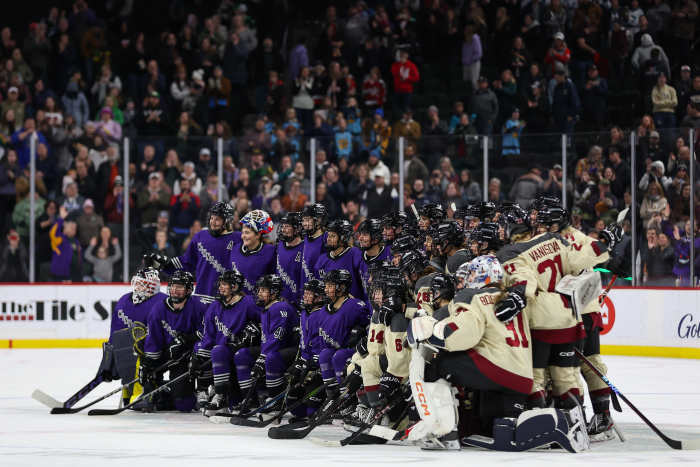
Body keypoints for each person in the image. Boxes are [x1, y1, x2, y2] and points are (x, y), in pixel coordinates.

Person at [194, 270, 260, 415]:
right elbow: (209, 336)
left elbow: (264, 322)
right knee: (215, 350)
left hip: (243, 350)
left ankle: (248, 399)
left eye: (224, 284)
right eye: (220, 284)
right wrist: (200, 357)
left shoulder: (248, 302)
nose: (220, 287)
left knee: (225, 352)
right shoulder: (215, 306)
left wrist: (254, 332)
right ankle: (220, 395)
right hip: (223, 353)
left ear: (235, 287)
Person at [140, 271, 208, 412]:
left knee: (185, 405)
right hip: (165, 352)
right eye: (172, 286)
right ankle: (154, 391)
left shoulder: (199, 306)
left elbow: (206, 333)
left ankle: (174, 393)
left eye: (180, 287)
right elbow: (153, 340)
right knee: (144, 357)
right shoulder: (158, 309)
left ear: (189, 290)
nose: (175, 291)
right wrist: (148, 364)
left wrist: (189, 340)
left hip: (184, 356)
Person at [234, 275, 298, 415]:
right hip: (272, 349)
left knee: (270, 359)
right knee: (242, 355)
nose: (259, 293)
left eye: (263, 290)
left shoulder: (281, 307)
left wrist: (262, 358)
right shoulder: (267, 308)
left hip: (289, 350)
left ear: (274, 292)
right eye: (259, 290)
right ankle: (250, 399)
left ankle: (275, 401)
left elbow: (278, 337)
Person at [146, 201, 240, 298]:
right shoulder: (200, 236)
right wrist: (165, 265)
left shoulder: (238, 239)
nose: (213, 222)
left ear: (227, 221)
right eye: (212, 218)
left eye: (217, 219)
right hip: (202, 296)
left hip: (228, 299)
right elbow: (187, 262)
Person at [106, 267, 166, 404]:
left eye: (142, 283)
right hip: (130, 349)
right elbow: (116, 328)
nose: (137, 286)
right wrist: (111, 349)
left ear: (151, 286)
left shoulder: (162, 302)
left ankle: (140, 393)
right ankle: (128, 390)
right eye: (137, 282)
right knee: (124, 357)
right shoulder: (124, 299)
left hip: (155, 349)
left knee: (138, 355)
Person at [316, 269, 370, 401]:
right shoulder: (324, 309)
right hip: (335, 349)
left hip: (352, 350)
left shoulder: (355, 305)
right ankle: (332, 398)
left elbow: (368, 327)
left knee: (338, 356)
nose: (326, 289)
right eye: (326, 285)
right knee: (324, 355)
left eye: (330, 285)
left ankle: (346, 399)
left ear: (341, 287)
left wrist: (360, 336)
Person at [314, 219, 367, 303]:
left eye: (333, 236)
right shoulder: (322, 259)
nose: (328, 239)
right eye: (328, 235)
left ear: (343, 238)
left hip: (351, 309)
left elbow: (366, 284)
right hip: (329, 310)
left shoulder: (355, 254)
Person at [230, 209, 276, 295]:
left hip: (258, 305)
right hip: (236, 304)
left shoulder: (270, 251)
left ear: (258, 235)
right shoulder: (235, 249)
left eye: (247, 233)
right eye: (242, 232)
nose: (243, 236)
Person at [276, 212, 304, 305]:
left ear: (297, 229)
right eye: (283, 226)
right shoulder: (279, 244)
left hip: (297, 303)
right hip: (279, 300)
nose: (283, 229)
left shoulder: (305, 248)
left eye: (287, 226)